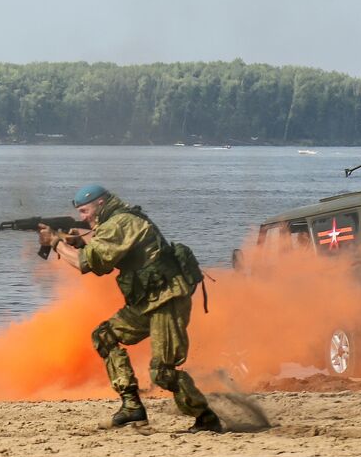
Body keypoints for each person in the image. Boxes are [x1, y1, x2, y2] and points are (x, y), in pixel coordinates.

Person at [38, 185, 223, 432]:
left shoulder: (120, 222)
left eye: (85, 210)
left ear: (100, 203)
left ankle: (206, 418)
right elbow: (103, 248)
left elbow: (87, 264)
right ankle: (131, 407)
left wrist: (56, 243)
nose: (83, 216)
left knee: (162, 372)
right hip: (147, 300)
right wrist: (76, 240)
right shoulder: (116, 220)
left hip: (167, 298)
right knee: (104, 336)